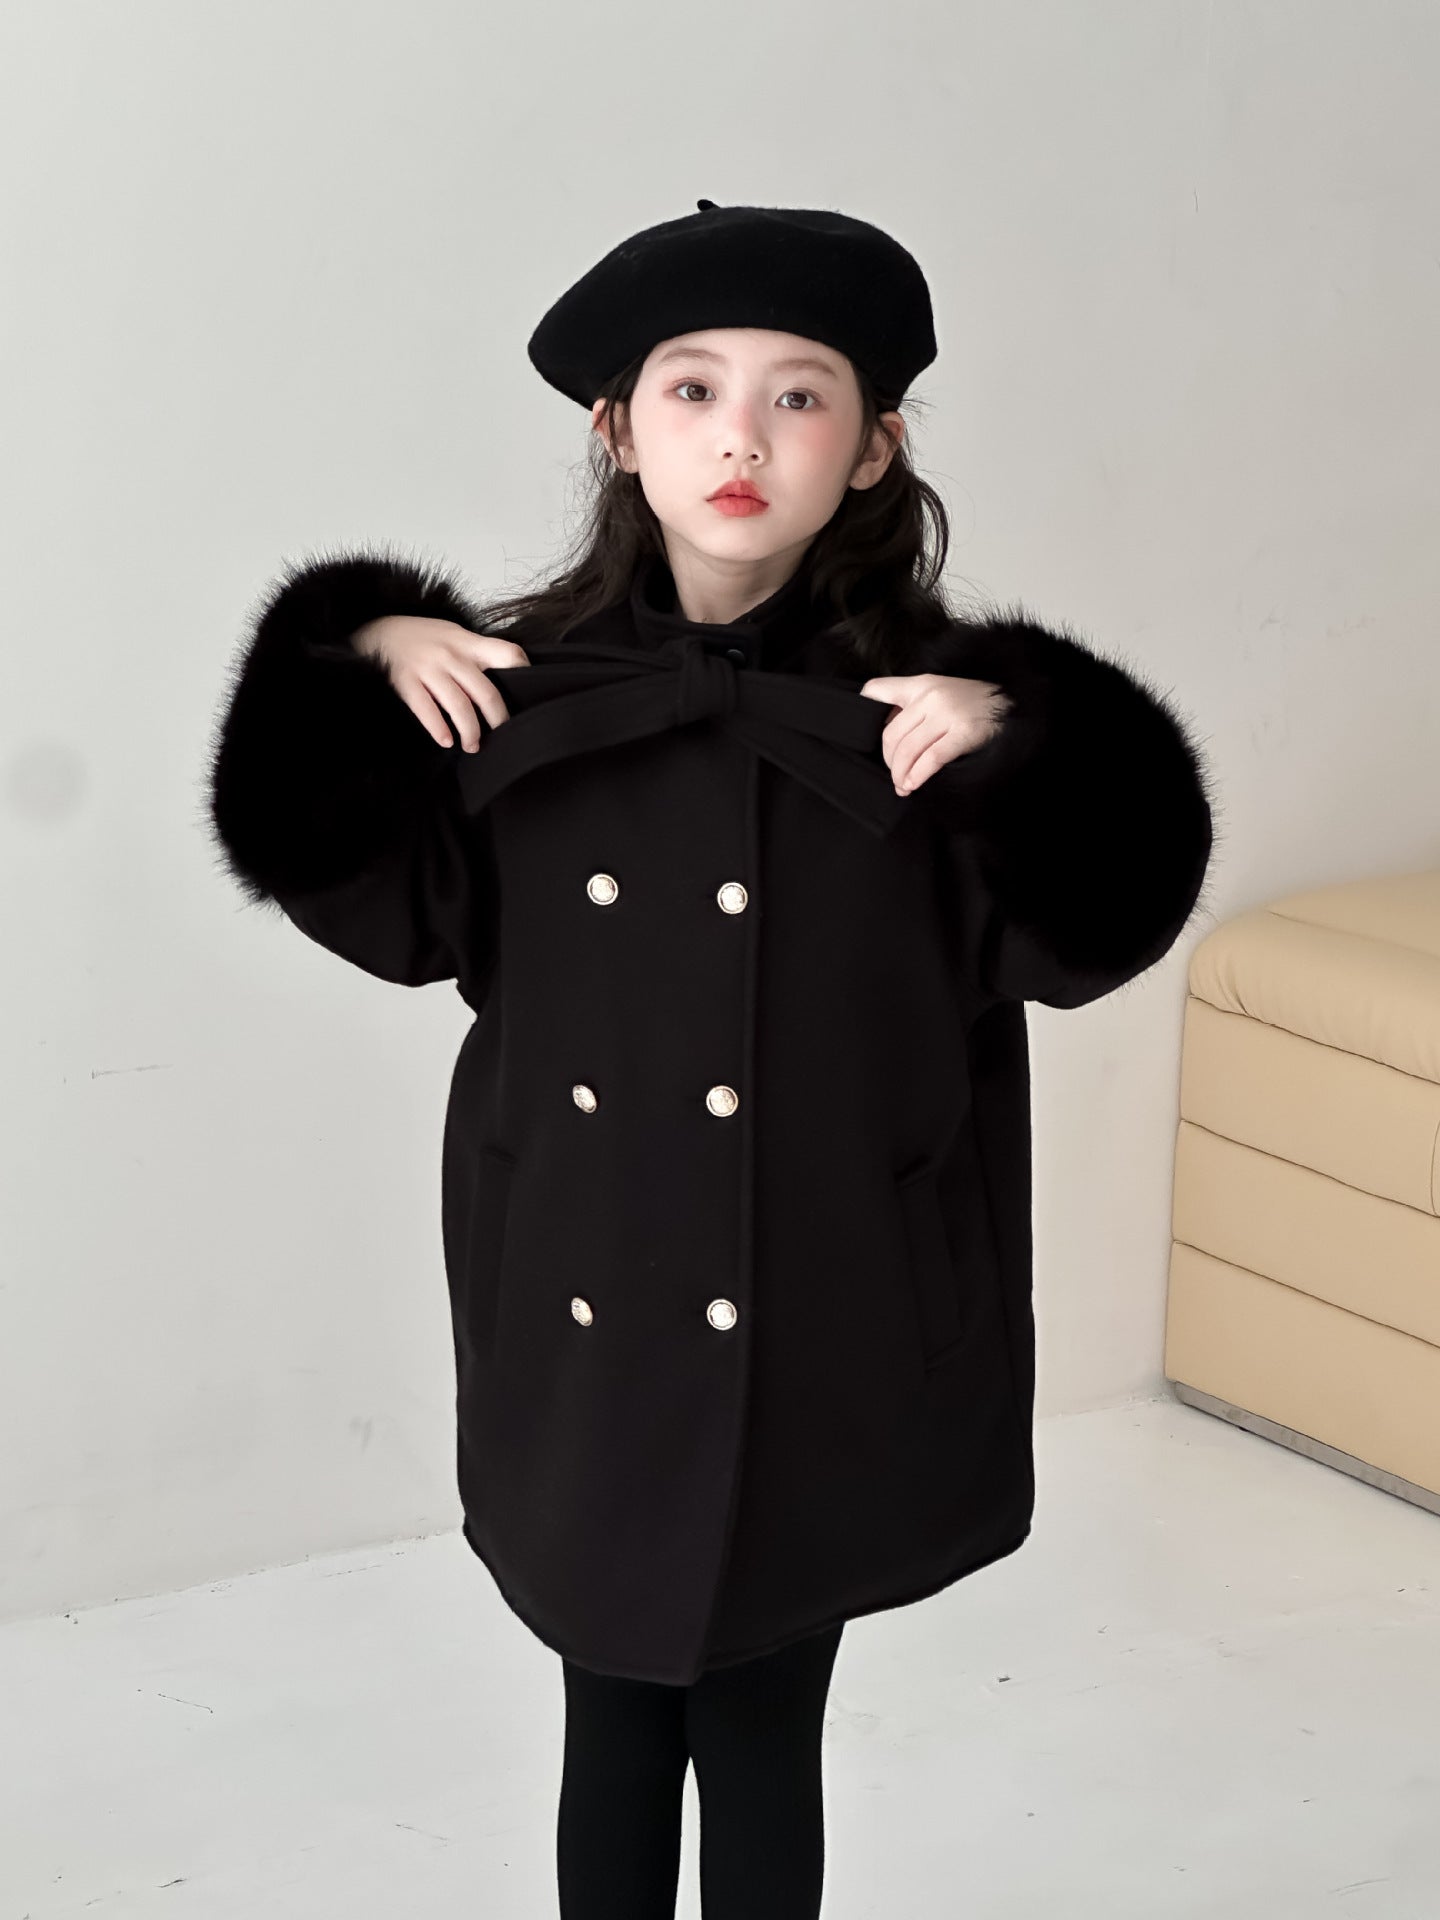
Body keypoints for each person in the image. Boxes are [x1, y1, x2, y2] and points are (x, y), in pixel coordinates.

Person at [205, 200, 1217, 1919]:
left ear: (876, 445)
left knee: (761, 1725)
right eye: (691, 390)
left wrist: (1036, 728)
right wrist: (355, 651)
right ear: (619, 429)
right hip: (590, 1300)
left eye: (798, 395)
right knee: (609, 1719)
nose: (741, 438)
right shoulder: (512, 701)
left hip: (828, 1314)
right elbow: (358, 895)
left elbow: (1091, 934)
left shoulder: (921, 724)